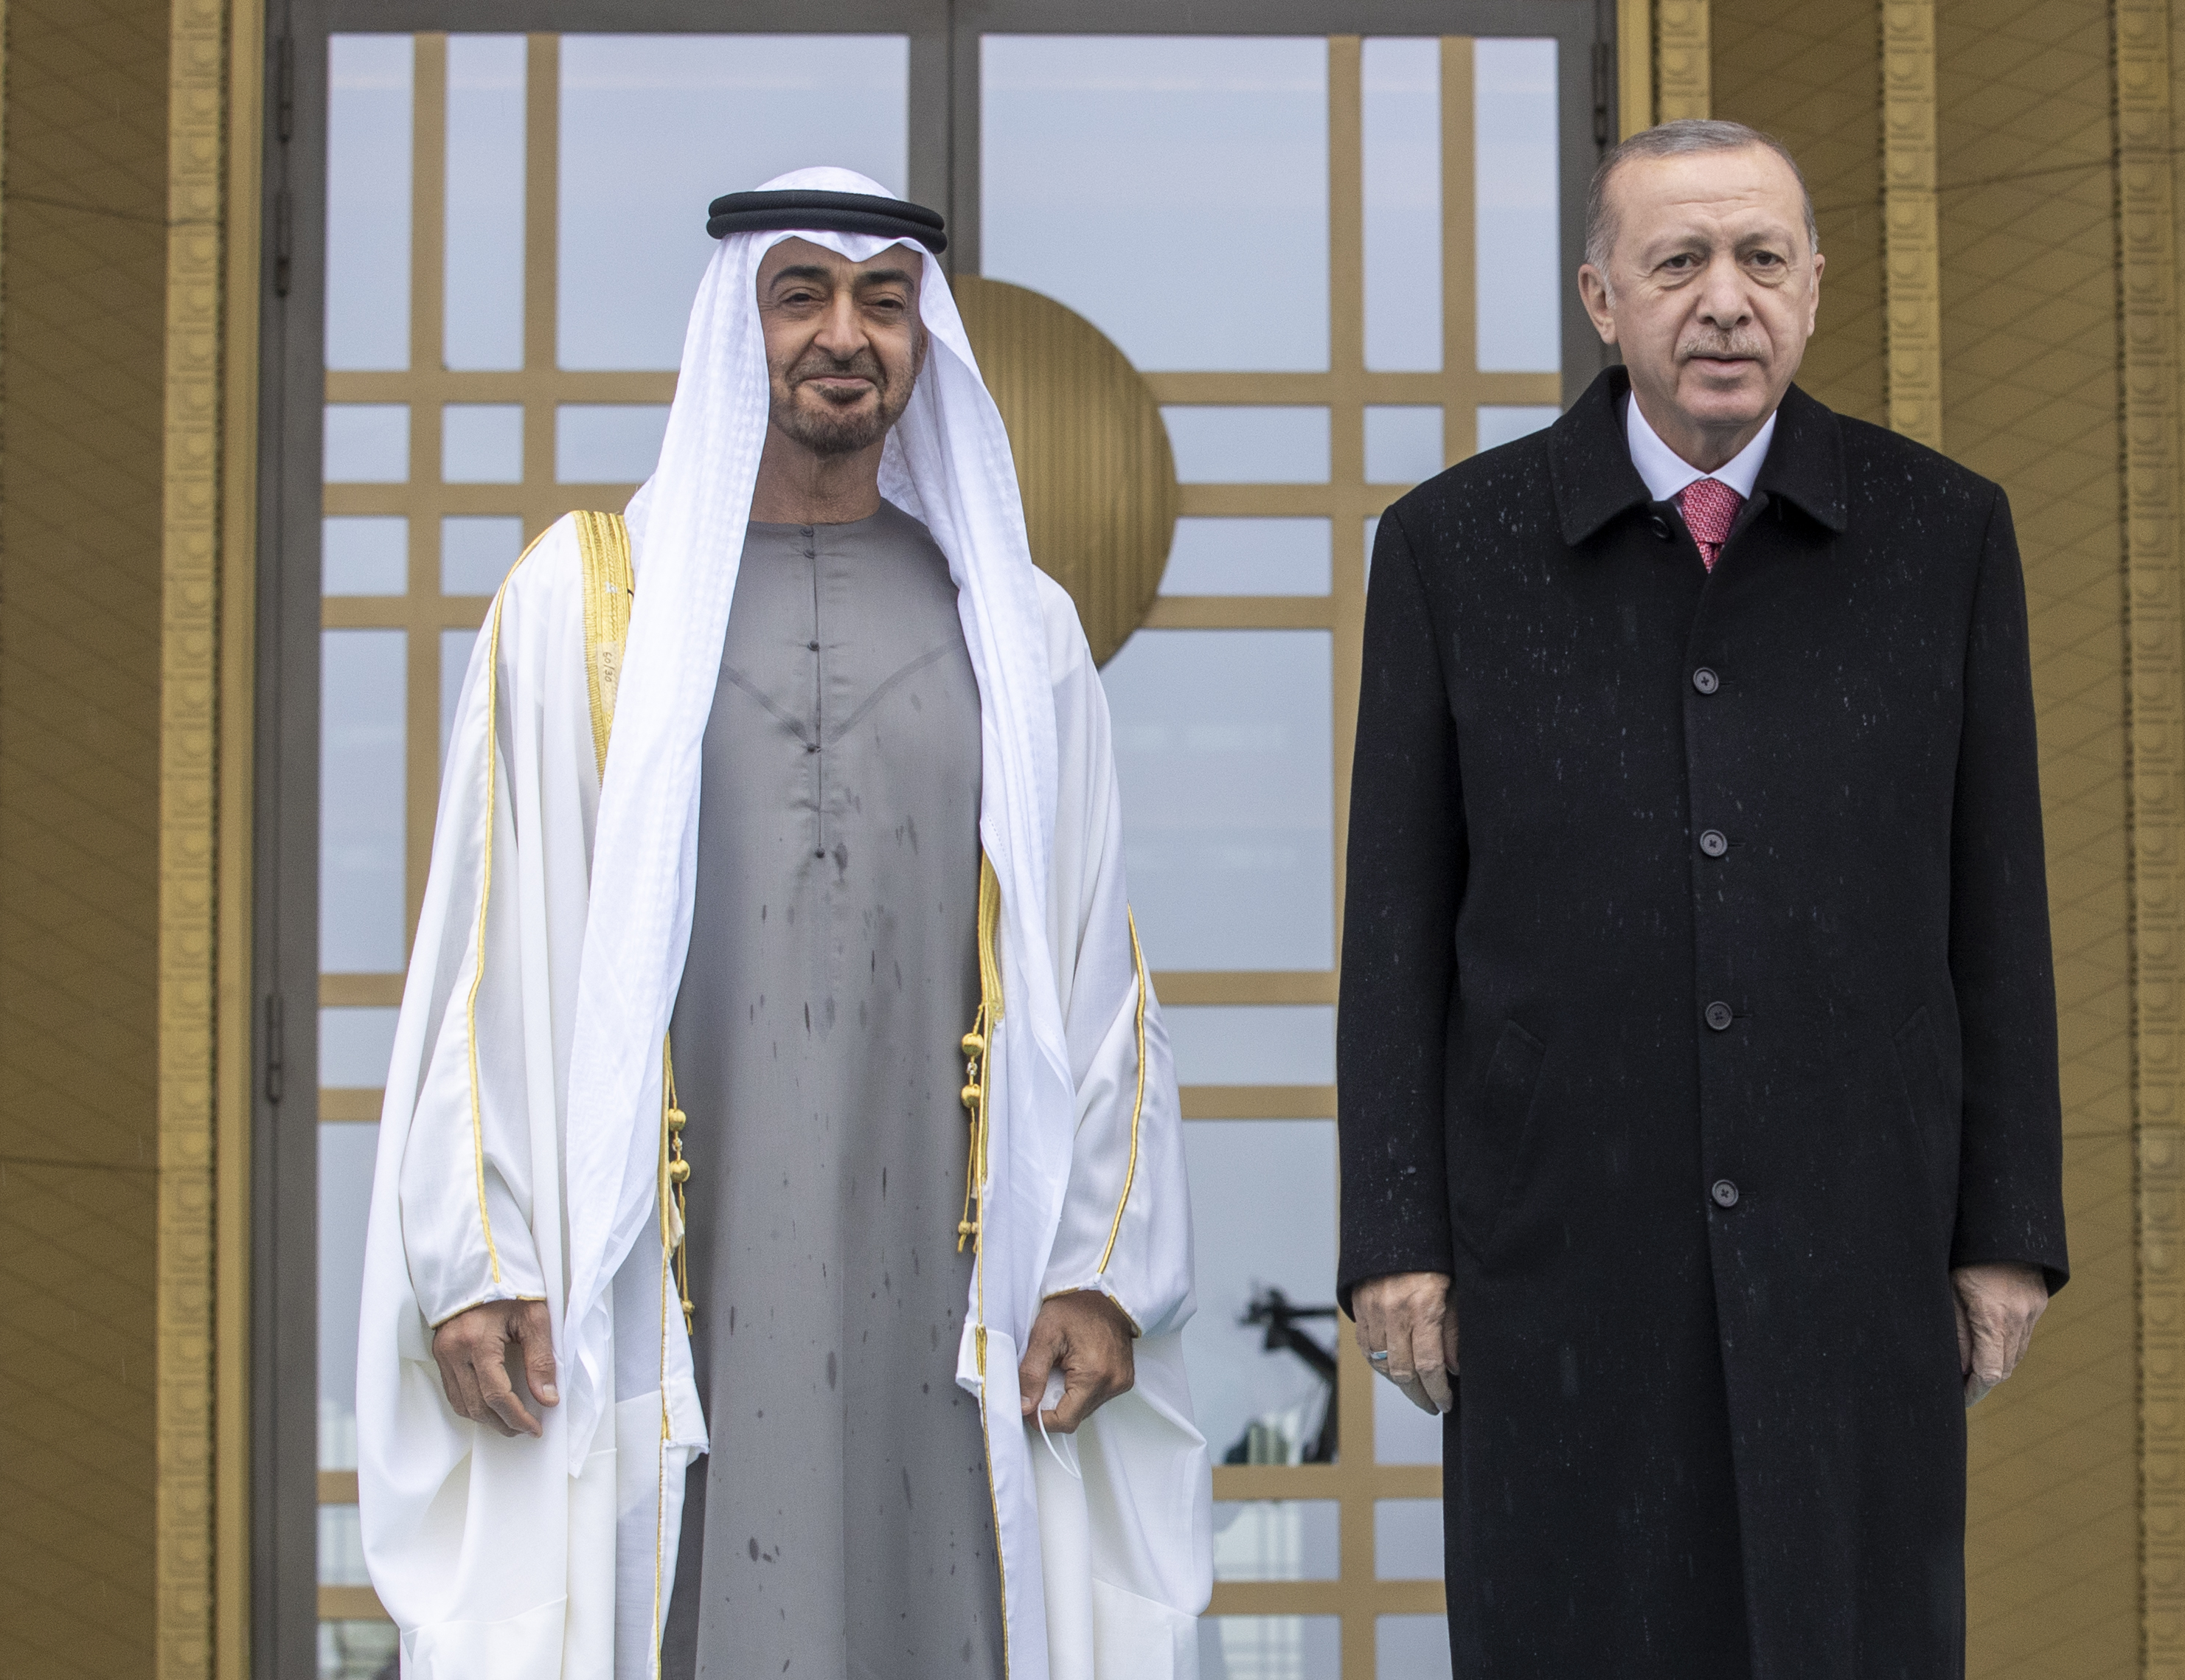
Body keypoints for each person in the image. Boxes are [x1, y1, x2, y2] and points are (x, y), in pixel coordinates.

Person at [355, 168, 1209, 1680]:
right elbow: (485, 946)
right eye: (799, 294)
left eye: (886, 302)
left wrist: (1098, 1261)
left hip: (946, 1273)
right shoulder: (584, 608)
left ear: (923, 341)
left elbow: (1096, 958)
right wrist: (476, 1249)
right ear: (730, 325)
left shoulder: (1021, 632)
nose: (845, 335)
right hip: (666, 1269)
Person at [1338, 118, 2067, 1676]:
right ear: (1601, 300)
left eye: (1761, 258)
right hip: (1560, 1245)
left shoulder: (1944, 532)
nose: (1725, 299)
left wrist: (2006, 1230)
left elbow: (1997, 907)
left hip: (1856, 1241)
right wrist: (1397, 1230)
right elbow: (1395, 928)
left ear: (1815, 287)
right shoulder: (1453, 549)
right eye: (1678, 262)